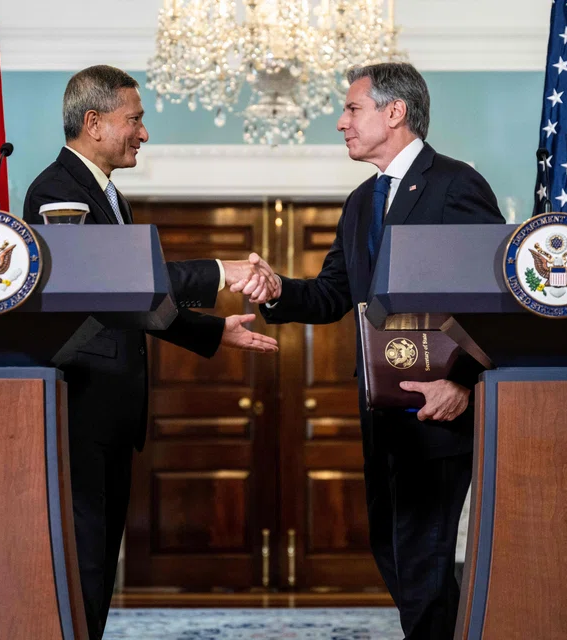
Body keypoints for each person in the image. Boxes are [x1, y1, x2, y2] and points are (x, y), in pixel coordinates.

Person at [232, 62, 506, 639]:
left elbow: (493, 298)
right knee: (394, 551)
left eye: (352, 109)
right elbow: (334, 292)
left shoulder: (456, 186)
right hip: (382, 412)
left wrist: (462, 381)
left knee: (423, 558)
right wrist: (278, 289)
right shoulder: (361, 202)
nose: (340, 122)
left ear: (395, 112)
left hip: (439, 408)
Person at [22, 65, 278, 640]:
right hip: (83, 410)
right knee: (83, 561)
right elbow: (120, 280)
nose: (143, 133)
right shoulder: (57, 191)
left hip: (109, 414)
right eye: (134, 120)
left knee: (97, 563)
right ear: (93, 123)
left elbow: (132, 302)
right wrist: (220, 271)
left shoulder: (106, 194)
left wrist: (213, 333)